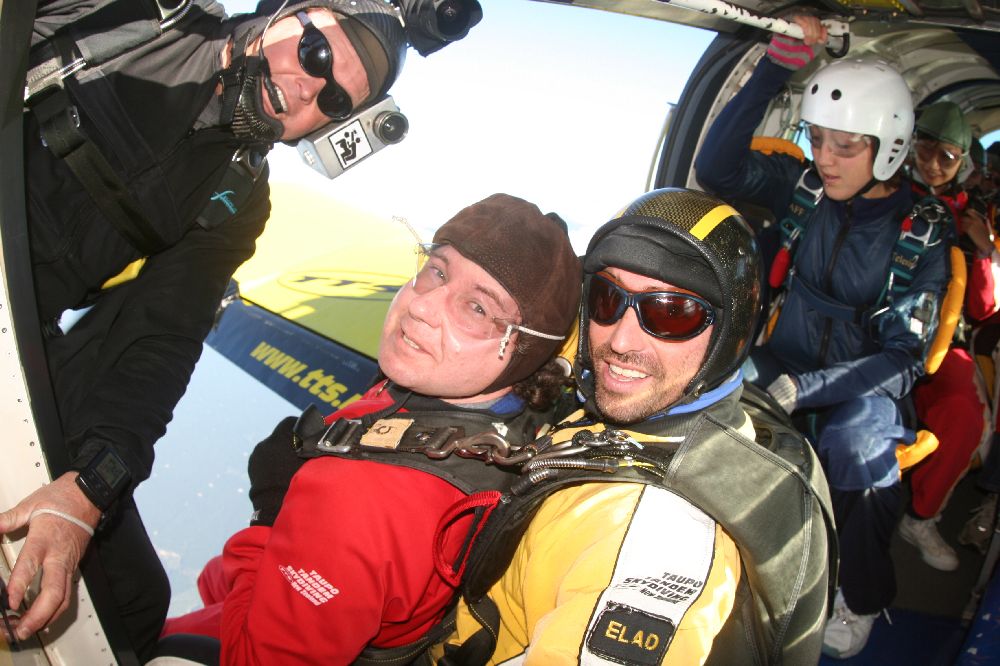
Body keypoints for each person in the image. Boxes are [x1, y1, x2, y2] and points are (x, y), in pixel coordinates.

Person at [0, 0, 445, 660]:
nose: (309, 87)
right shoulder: (144, 19)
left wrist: (90, 488)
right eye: (316, 52)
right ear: (284, 13)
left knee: (134, 603)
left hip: (18, 326)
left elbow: (163, 341)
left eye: (334, 100)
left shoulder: (237, 199)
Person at [158, 193, 582, 665]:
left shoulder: (356, 499)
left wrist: (268, 515)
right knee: (208, 583)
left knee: (164, 645)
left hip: (278, 611)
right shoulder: (518, 413)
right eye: (437, 271)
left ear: (524, 351)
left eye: (478, 309)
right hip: (326, 597)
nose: (422, 307)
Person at [429, 188, 836, 665]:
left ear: (728, 339)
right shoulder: (660, 400)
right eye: (607, 298)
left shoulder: (661, 535)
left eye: (670, 313)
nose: (620, 340)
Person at [695, 17, 950, 659]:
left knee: (859, 451)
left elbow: (902, 359)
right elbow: (717, 168)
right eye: (816, 138)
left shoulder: (923, 230)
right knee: (702, 393)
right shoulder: (805, 188)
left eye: (846, 146)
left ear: (889, 148)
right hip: (787, 354)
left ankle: (862, 595)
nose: (825, 158)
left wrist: (804, 389)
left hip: (864, 381)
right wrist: (774, 69)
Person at [903, 101, 998, 571]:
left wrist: (983, 248)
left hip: (943, 340)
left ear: (962, 163)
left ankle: (921, 517)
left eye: (947, 157)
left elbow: (983, 308)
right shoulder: (885, 194)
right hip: (876, 329)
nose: (933, 164)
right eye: (925, 149)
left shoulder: (971, 217)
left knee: (965, 416)